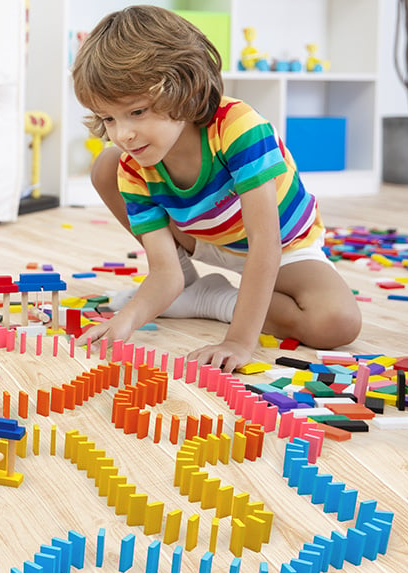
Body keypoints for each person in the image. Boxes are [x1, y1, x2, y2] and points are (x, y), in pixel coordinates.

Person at [71, 5, 361, 373]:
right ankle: (194, 290)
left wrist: (239, 340)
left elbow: (265, 244)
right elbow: (164, 273)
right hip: (201, 238)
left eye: (137, 112)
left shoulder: (239, 127)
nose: (122, 134)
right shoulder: (134, 164)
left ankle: (213, 300)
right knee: (106, 165)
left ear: (183, 87)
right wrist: (125, 321)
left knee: (337, 322)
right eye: (108, 118)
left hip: (283, 245)